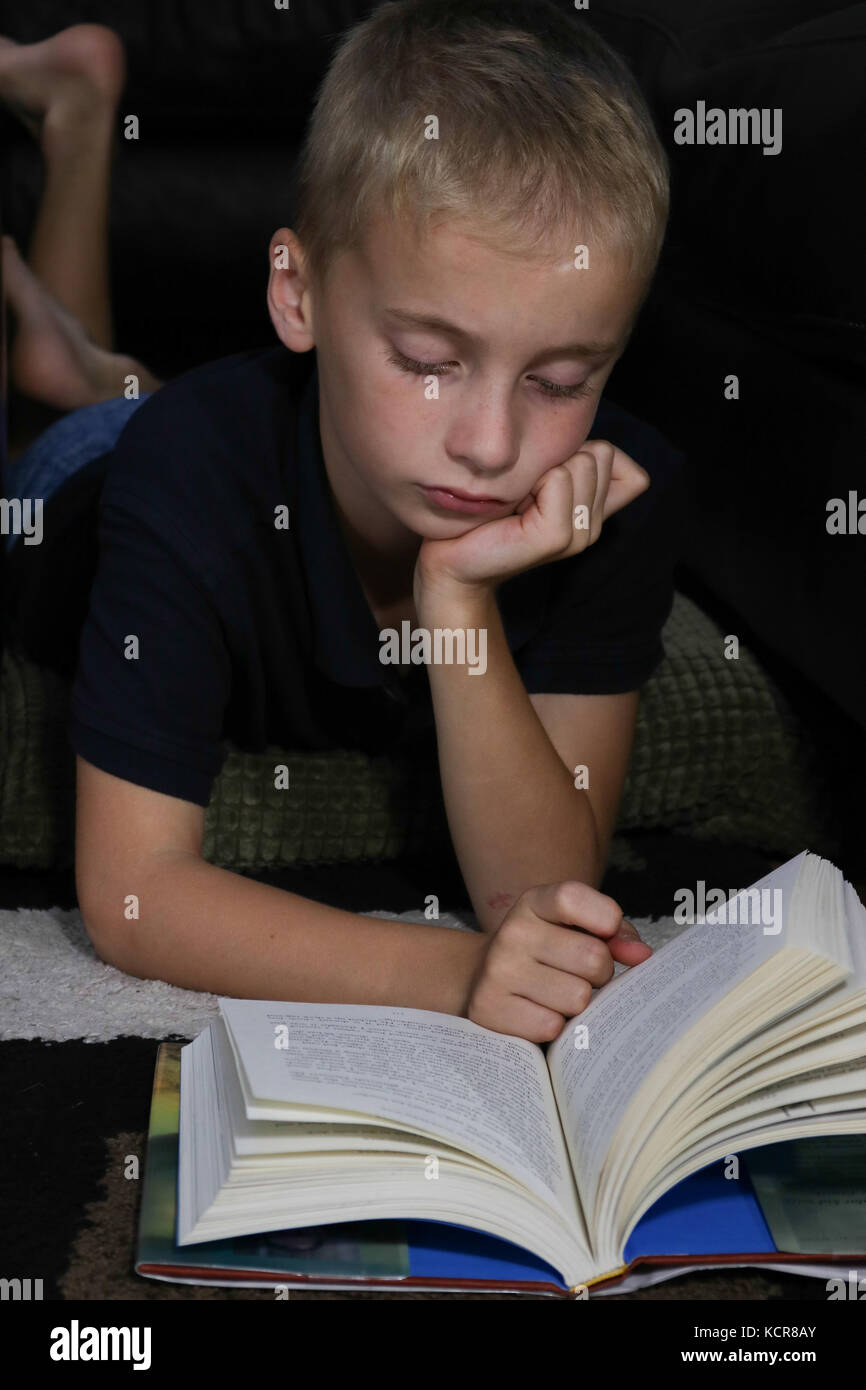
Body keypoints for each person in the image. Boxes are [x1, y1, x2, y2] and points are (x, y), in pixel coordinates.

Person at [2, 1, 686, 1043]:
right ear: (298, 293)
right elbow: (133, 895)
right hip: (86, 484)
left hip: (245, 415)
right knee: (72, 427)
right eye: (424, 363)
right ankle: (81, 356)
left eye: (557, 379)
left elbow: (542, 895)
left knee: (132, 394)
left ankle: (89, 309)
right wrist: (457, 974)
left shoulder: (611, 489)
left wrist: (456, 598)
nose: (491, 445)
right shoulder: (183, 477)